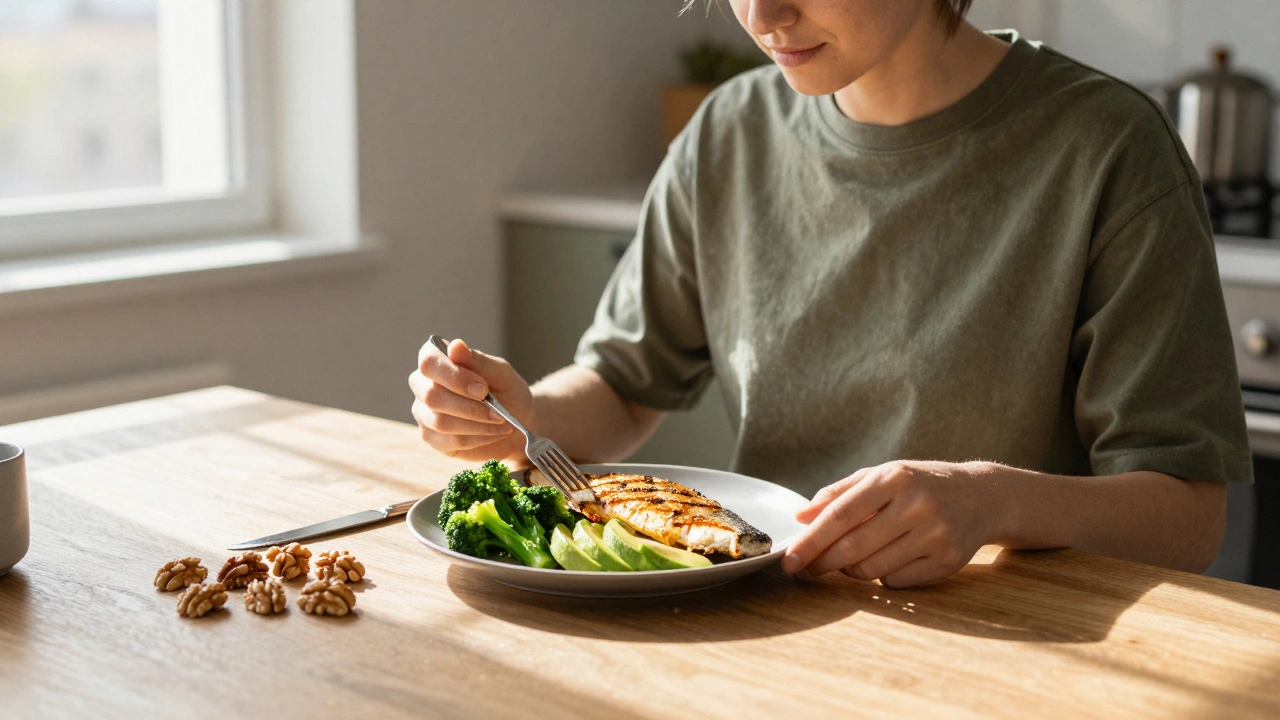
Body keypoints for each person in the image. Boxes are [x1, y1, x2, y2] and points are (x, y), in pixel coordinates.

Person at [408, 0, 1252, 588]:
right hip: (766, 628)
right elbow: (625, 386)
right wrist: (522, 414)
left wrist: (991, 499)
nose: (763, 15)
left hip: (1010, 650)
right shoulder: (728, 134)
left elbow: (1187, 517)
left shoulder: (1107, 149)